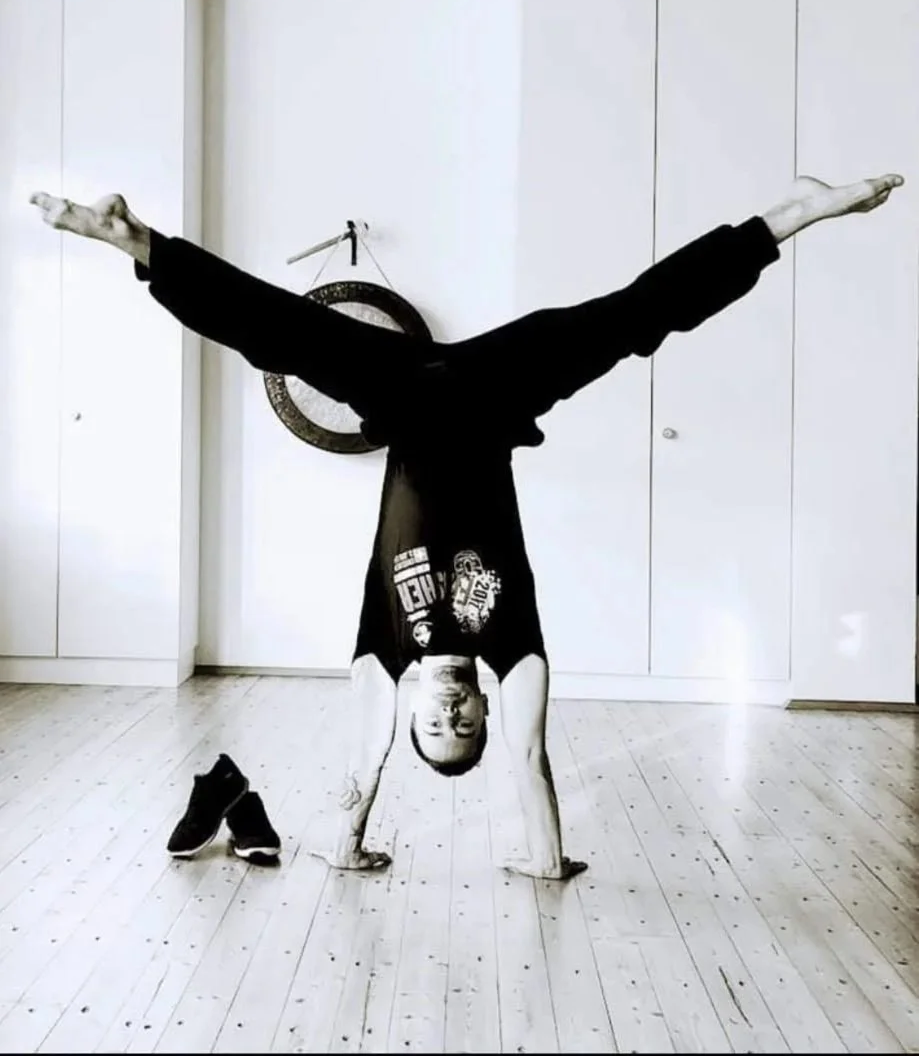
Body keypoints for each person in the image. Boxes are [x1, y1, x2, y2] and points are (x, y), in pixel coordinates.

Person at [30, 171, 904, 879]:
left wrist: (348, 845)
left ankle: (136, 244)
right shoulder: (514, 650)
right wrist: (543, 860)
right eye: (467, 725)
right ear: (486, 706)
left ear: (413, 710)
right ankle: (787, 216)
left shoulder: (384, 654)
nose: (450, 714)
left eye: (435, 727)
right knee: (636, 318)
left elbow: (355, 775)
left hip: (398, 396)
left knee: (279, 332)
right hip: (495, 394)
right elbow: (530, 766)